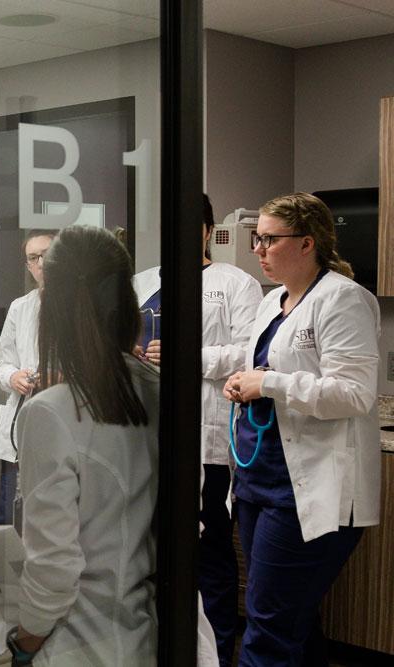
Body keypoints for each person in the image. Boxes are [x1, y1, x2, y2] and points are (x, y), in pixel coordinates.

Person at [223, 192, 380, 666]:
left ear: (307, 242)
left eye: (269, 239)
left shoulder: (343, 299)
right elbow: (258, 362)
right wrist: (241, 378)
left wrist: (267, 382)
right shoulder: (274, 301)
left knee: (268, 628)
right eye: (257, 239)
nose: (259, 250)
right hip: (258, 483)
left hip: (308, 490)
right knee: (290, 619)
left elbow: (354, 393)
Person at [6, 226, 159, 665]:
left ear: (53, 310)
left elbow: (53, 571)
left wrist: (23, 642)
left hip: (80, 645)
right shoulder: (159, 391)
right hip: (146, 636)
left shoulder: (52, 413)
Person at [133, 196, 263, 665]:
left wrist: (189, 355)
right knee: (151, 546)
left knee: (208, 552)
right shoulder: (142, 282)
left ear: (206, 231)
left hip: (205, 439)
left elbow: (252, 352)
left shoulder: (235, 283)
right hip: (146, 434)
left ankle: (219, 652)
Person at [0, 230, 55, 525]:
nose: (41, 262)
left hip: (62, 420)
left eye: (47, 254)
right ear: (28, 265)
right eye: (33, 257)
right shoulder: (20, 307)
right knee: (11, 512)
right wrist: (13, 376)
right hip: (23, 418)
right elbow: (3, 362)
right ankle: (5, 571)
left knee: (52, 514)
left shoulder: (84, 304)